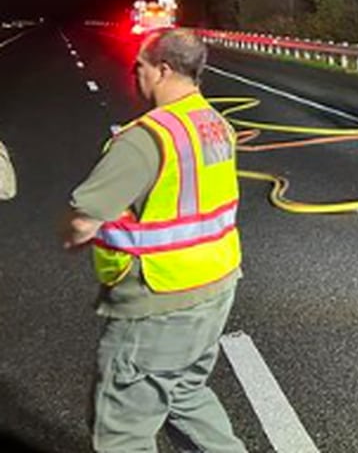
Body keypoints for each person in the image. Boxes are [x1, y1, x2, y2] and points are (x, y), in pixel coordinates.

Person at [59, 28, 246, 453]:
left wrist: (68, 232)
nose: (133, 72)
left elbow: (82, 221)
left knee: (121, 429)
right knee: (183, 395)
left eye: (139, 65)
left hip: (159, 301)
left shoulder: (147, 137)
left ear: (163, 70)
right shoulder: (217, 125)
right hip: (214, 289)